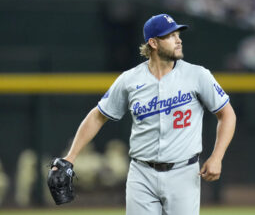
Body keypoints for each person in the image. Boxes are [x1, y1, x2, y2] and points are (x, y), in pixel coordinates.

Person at [54, 13, 236, 215]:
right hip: (141, 174)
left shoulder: (197, 75)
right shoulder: (129, 80)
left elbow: (227, 114)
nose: (179, 40)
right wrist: (70, 157)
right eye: (171, 36)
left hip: (183, 172)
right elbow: (98, 115)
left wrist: (217, 157)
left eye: (178, 34)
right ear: (153, 43)